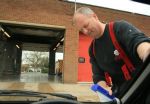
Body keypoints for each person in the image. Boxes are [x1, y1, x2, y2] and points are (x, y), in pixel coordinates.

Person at [73, 7, 150, 97]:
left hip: (143, 86)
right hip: (122, 95)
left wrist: (147, 53)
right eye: (81, 30)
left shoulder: (119, 28)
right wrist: (103, 88)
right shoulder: (92, 49)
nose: (85, 31)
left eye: (86, 25)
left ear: (94, 17)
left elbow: (138, 42)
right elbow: (98, 75)